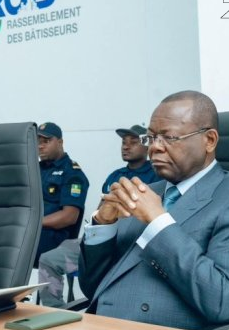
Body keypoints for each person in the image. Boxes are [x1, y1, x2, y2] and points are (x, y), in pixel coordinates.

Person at [78, 91, 229, 330]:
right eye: (151, 138)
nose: (155, 148)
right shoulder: (145, 192)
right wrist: (103, 226)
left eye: (169, 137)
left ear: (209, 140)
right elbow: (92, 286)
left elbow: (223, 302)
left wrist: (158, 222)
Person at [38, 124, 159, 307]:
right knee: (49, 259)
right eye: (124, 142)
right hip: (105, 238)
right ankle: (54, 311)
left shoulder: (157, 176)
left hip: (133, 242)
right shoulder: (115, 175)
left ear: (146, 145)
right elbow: (101, 211)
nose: (126, 146)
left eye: (133, 142)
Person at [35, 122, 89, 268]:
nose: (40, 146)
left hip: (54, 245)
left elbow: (69, 217)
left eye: (46, 141)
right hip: (30, 240)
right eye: (38, 142)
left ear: (60, 142)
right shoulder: (34, 169)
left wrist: (33, 223)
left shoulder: (72, 173)